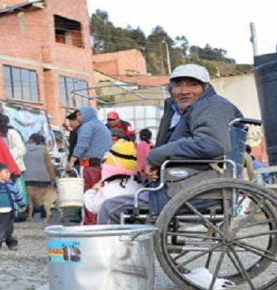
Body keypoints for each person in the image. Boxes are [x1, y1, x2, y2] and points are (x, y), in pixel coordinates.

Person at [98, 64, 243, 224]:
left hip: (197, 190)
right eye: (178, 85)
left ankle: (112, 250)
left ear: (205, 87)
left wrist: (156, 157)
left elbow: (210, 144)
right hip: (184, 184)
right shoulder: (184, 109)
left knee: (110, 208)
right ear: (171, 88)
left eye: (192, 84)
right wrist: (159, 167)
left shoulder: (212, 106)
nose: (184, 90)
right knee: (120, 205)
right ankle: (137, 248)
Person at [65, 106, 112, 225]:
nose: (78, 117)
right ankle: (99, 221)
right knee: (99, 194)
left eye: (80, 114)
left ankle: (88, 222)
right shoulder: (100, 126)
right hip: (103, 166)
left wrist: (71, 161)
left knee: (88, 194)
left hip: (90, 166)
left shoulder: (87, 126)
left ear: (87, 114)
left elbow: (82, 144)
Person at [85, 140, 141, 218]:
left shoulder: (107, 190)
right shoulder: (138, 187)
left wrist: (92, 191)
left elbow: (93, 207)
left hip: (111, 228)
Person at [23, 134, 57, 220]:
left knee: (29, 196)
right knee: (43, 196)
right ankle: (44, 214)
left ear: (31, 140)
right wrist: (53, 177)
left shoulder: (23, 149)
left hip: (28, 176)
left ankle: (30, 214)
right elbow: (48, 165)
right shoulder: (43, 150)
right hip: (42, 176)